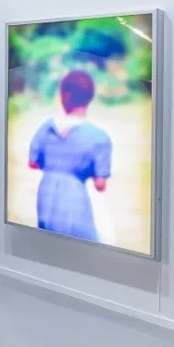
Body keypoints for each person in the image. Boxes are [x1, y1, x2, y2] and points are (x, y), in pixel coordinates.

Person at [28, 70, 113, 242]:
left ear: (61, 95)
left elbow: (33, 162)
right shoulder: (99, 137)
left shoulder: (46, 127)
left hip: (46, 195)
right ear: (90, 97)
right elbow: (100, 184)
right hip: (77, 199)